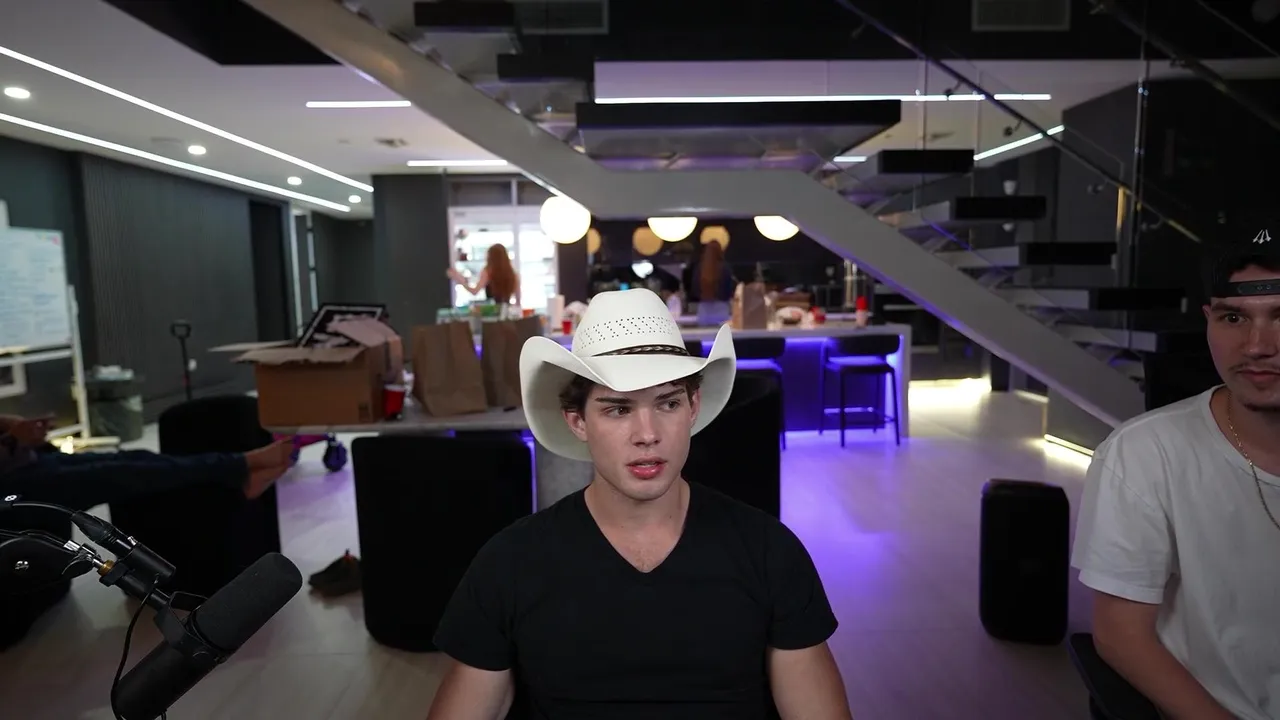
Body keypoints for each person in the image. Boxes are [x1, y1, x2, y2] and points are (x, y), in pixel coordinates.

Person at [428, 288, 851, 719]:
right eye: (618, 410)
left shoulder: (769, 553)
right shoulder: (510, 564)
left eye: (668, 403)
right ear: (578, 422)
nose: (647, 434)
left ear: (692, 407)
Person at [1071, 229, 1280, 720]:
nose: (1256, 346)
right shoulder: (1145, 454)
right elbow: (1120, 634)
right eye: (1233, 317)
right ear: (1208, 321)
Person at [0, 413, 294, 511]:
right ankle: (240, 465)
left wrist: (15, 427)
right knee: (125, 472)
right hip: (13, 485)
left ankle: (240, 474)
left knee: (136, 458)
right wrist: (13, 438)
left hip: (27, 462)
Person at [448, 244, 521, 307]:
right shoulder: (513, 274)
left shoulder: (488, 272)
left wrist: (460, 280)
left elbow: (474, 291)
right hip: (507, 311)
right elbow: (518, 300)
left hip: (492, 311)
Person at [695, 240, 736, 326]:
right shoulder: (725, 268)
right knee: (721, 333)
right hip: (721, 307)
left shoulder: (700, 269)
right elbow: (729, 290)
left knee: (704, 334)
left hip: (704, 308)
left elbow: (694, 289)